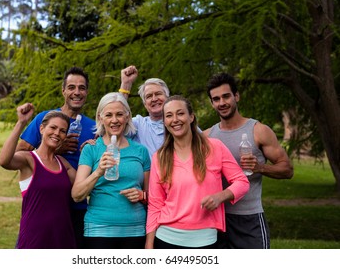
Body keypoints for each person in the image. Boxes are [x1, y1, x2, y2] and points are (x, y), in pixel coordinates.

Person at [145, 95, 250, 249]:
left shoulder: (215, 147)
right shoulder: (159, 157)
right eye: (169, 115)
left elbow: (242, 182)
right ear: (164, 122)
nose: (175, 119)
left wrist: (220, 197)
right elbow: (155, 204)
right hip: (166, 239)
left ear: (191, 117)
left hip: (206, 240)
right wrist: (149, 244)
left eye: (180, 113)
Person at [204, 73, 294, 249]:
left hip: (249, 218)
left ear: (236, 96)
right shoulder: (207, 136)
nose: (222, 102)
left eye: (226, 96)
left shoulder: (258, 131)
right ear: (212, 103)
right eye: (216, 99)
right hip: (217, 220)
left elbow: (287, 170)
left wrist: (260, 168)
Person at [16, 66, 96, 248]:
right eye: (72, 87)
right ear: (63, 91)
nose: (77, 92)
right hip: (44, 206)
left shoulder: (93, 127)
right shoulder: (45, 119)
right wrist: (55, 150)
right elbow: (20, 153)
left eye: (82, 88)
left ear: (87, 92)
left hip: (78, 208)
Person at [71, 92, 151, 249]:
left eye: (119, 114)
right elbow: (77, 194)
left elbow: (152, 197)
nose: (114, 120)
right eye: (109, 115)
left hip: (135, 230)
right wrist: (98, 172)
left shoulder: (140, 151)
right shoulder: (91, 149)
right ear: (101, 118)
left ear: (127, 117)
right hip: (98, 229)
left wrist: (142, 196)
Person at [0, 103, 77, 249]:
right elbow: (4, 161)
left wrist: (93, 151)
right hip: (34, 240)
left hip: (63, 239)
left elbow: (83, 187)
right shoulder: (28, 159)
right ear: (42, 129)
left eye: (62, 131)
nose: (56, 133)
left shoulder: (63, 163)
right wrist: (21, 122)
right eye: (52, 128)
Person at [119, 66, 170, 159]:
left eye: (158, 94)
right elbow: (117, 118)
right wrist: (126, 84)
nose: (154, 99)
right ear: (145, 104)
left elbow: (201, 138)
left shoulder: (180, 121)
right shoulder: (138, 124)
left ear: (167, 98)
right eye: (149, 96)